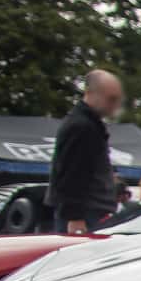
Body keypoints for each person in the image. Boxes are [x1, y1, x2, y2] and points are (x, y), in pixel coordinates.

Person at [46, 69, 124, 235]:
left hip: (90, 212)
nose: (115, 105)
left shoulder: (89, 125)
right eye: (111, 99)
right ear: (90, 93)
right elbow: (70, 174)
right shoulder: (82, 127)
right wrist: (75, 217)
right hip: (84, 215)